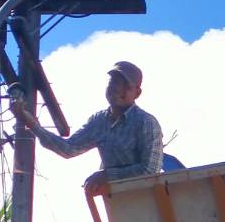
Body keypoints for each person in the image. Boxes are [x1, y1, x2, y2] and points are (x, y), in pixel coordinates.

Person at [10, 59, 163, 180]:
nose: (117, 89)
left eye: (125, 86)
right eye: (113, 82)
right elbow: (68, 148)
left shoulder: (145, 122)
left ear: (137, 93)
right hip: (116, 204)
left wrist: (105, 175)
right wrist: (31, 123)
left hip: (145, 205)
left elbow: (149, 170)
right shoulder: (99, 121)